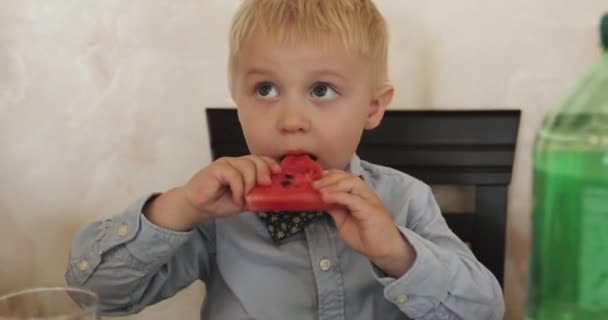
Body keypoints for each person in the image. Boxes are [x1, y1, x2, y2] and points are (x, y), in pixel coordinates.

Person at [66, 0, 505, 319]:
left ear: (372, 108)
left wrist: (397, 252)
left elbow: (484, 310)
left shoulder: (405, 199)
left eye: (320, 90)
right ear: (236, 100)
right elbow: (93, 292)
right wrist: (178, 207)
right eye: (265, 90)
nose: (291, 120)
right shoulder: (216, 212)